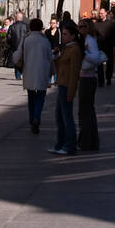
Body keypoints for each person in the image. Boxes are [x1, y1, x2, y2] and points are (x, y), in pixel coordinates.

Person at [13, 17, 53, 134]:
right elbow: (50, 57)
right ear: (41, 28)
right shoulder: (45, 40)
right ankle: (37, 117)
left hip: (29, 71)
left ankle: (32, 119)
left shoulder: (27, 39)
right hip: (42, 72)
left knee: (31, 97)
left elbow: (17, 56)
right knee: (40, 97)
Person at [50, 22, 83, 156]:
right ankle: (60, 144)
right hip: (62, 84)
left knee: (66, 117)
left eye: (65, 34)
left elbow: (74, 72)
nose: (63, 37)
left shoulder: (74, 49)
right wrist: (57, 56)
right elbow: (60, 66)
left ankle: (70, 146)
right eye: (62, 34)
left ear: (73, 36)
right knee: (59, 117)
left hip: (67, 86)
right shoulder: (66, 48)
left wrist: (71, 91)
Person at [78, 24, 107, 151]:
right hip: (85, 77)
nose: (80, 28)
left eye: (82, 26)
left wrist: (84, 53)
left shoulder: (90, 40)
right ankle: (90, 141)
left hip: (88, 78)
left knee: (86, 111)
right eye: (79, 26)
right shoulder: (86, 40)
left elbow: (95, 58)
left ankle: (87, 141)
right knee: (87, 110)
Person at [93, 6, 115, 86]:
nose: (100, 15)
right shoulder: (97, 24)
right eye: (99, 13)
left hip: (109, 45)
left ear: (105, 14)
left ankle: (108, 78)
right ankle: (101, 81)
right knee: (99, 64)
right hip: (99, 46)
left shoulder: (111, 24)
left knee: (109, 63)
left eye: (102, 13)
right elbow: (94, 35)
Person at [5, 11, 29, 79]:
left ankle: (18, 75)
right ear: (22, 18)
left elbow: (8, 37)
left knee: (16, 61)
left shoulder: (12, 27)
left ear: (16, 18)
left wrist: (11, 44)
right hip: (24, 46)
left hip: (14, 46)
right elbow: (29, 36)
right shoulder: (26, 26)